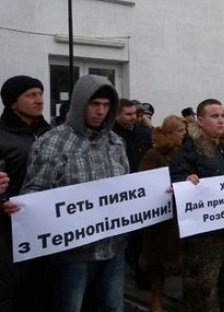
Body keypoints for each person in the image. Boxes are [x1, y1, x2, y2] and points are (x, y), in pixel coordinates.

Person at [9, 74, 129, 312]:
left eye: (106, 105)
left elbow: (127, 189)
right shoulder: (52, 142)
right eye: (94, 104)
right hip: (72, 254)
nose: (100, 111)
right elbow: (36, 189)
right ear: (80, 103)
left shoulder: (115, 142)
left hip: (113, 249)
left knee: (112, 307)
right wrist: (23, 207)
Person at [170, 99, 224, 311]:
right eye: (214, 116)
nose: (221, 120)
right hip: (204, 238)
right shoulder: (188, 151)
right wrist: (184, 181)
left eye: (223, 115)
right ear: (200, 121)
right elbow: (174, 183)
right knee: (202, 292)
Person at [0, 75, 52, 311]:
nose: (39, 100)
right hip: (9, 228)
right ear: (12, 102)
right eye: (31, 95)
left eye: (40, 94)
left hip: (47, 225)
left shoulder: (52, 133)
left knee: (44, 288)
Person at [138, 115, 187, 312]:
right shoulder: (154, 154)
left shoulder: (184, 152)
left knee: (184, 259)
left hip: (180, 215)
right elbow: (145, 182)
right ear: (169, 133)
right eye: (180, 131)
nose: (184, 134)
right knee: (158, 263)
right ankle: (156, 300)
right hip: (161, 219)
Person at [113, 98, 153, 288]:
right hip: (122, 193)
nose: (133, 118)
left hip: (143, 190)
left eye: (134, 114)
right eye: (128, 114)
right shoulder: (111, 136)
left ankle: (142, 274)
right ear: (117, 115)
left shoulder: (144, 133)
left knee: (142, 238)